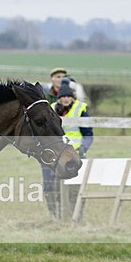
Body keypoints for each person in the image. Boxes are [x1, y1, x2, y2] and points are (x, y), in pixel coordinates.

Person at [42, 80, 94, 219]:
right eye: (63, 96)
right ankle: (58, 216)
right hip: (57, 156)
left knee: (75, 189)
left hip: (76, 154)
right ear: (59, 98)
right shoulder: (51, 109)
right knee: (55, 188)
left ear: (72, 97)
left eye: (68, 96)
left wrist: (83, 149)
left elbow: (88, 134)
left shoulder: (81, 109)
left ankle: (77, 216)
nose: (66, 99)